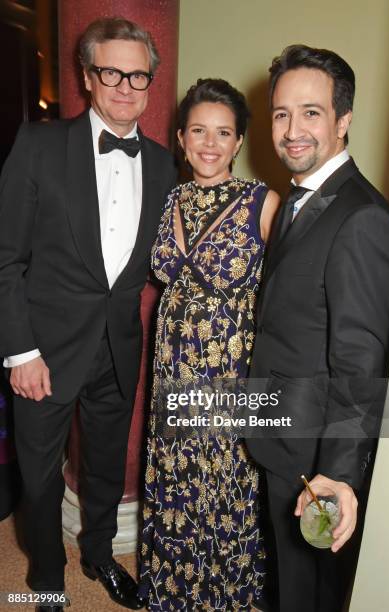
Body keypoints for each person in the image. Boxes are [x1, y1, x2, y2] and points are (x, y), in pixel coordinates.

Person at [0, 17, 176, 612]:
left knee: (103, 463)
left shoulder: (164, 165)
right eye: (111, 71)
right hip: (42, 352)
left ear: (150, 81)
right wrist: (19, 351)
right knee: (41, 472)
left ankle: (98, 554)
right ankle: (46, 576)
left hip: (118, 345)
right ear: (87, 76)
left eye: (138, 74)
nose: (125, 86)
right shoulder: (38, 144)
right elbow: (4, 259)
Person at [246, 45, 389, 612]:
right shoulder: (298, 200)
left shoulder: (364, 219)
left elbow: (362, 364)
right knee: (287, 581)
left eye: (311, 112)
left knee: (309, 593)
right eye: (282, 113)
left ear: (344, 120)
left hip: (316, 457)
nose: (292, 130)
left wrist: (338, 479)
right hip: (283, 433)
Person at [137, 78, 280, 610]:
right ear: (180, 136)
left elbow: (289, 294)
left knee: (224, 490)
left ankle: (225, 598)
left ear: (240, 141)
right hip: (171, 369)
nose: (210, 143)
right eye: (199, 130)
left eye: (224, 132)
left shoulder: (261, 202)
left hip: (228, 376)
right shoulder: (170, 197)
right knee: (176, 482)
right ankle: (174, 593)